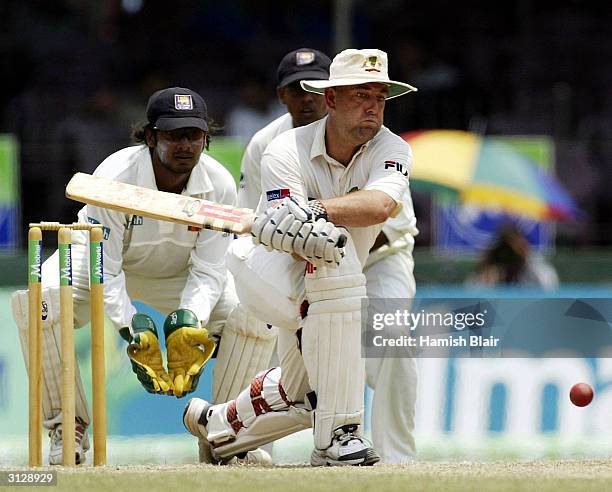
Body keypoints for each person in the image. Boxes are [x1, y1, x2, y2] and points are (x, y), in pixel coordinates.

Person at [11, 87, 278, 465]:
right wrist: (130, 327)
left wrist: (190, 320)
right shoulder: (116, 174)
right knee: (37, 304)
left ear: (206, 138)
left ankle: (226, 434)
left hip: (178, 273)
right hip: (96, 263)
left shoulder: (218, 183)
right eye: (173, 135)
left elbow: (210, 268)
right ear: (150, 137)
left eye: (194, 136)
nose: (184, 145)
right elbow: (108, 267)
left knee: (252, 313)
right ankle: (65, 425)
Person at [183, 49, 418, 466]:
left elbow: (380, 206)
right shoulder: (279, 149)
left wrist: (313, 210)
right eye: (361, 95)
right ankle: (337, 438)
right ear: (331, 100)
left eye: (379, 98)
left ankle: (219, 425)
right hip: (269, 268)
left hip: (375, 262)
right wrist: (295, 226)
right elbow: (283, 233)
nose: (372, 107)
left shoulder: (394, 148)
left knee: (311, 391)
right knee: (332, 259)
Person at [466, 223, 559, 289]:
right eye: (504, 251)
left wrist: (527, 260)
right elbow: (469, 302)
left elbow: (549, 294)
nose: (509, 255)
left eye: (515, 251)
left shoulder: (538, 271)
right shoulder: (486, 273)